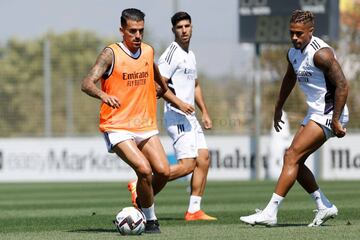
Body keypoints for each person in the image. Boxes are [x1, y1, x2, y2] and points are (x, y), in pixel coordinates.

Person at [81, 8, 194, 234]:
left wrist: (160, 89)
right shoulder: (110, 54)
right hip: (117, 126)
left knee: (162, 172)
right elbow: (87, 83)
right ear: (122, 30)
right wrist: (104, 95)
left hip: (144, 124)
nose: (137, 36)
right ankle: (150, 220)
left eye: (141, 31)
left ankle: (140, 202)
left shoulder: (148, 52)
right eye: (132, 31)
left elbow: (158, 79)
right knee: (144, 169)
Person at [240, 10, 349, 227]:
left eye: (299, 34)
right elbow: (289, 78)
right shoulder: (293, 53)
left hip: (329, 113)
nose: (294, 38)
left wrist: (336, 119)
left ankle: (270, 212)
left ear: (311, 31)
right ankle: (324, 206)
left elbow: (343, 86)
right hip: (315, 112)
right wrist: (278, 107)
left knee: (291, 156)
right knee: (293, 160)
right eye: (291, 33)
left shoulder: (322, 54)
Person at [128, 11, 216, 221]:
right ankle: (141, 185)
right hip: (176, 116)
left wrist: (204, 111)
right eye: (179, 27)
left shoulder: (190, 55)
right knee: (187, 165)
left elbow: (195, 85)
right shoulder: (171, 53)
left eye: (187, 26)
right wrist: (179, 103)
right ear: (173, 30)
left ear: (192, 27)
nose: (184, 30)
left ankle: (194, 210)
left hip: (190, 117)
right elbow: (159, 86)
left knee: (203, 159)